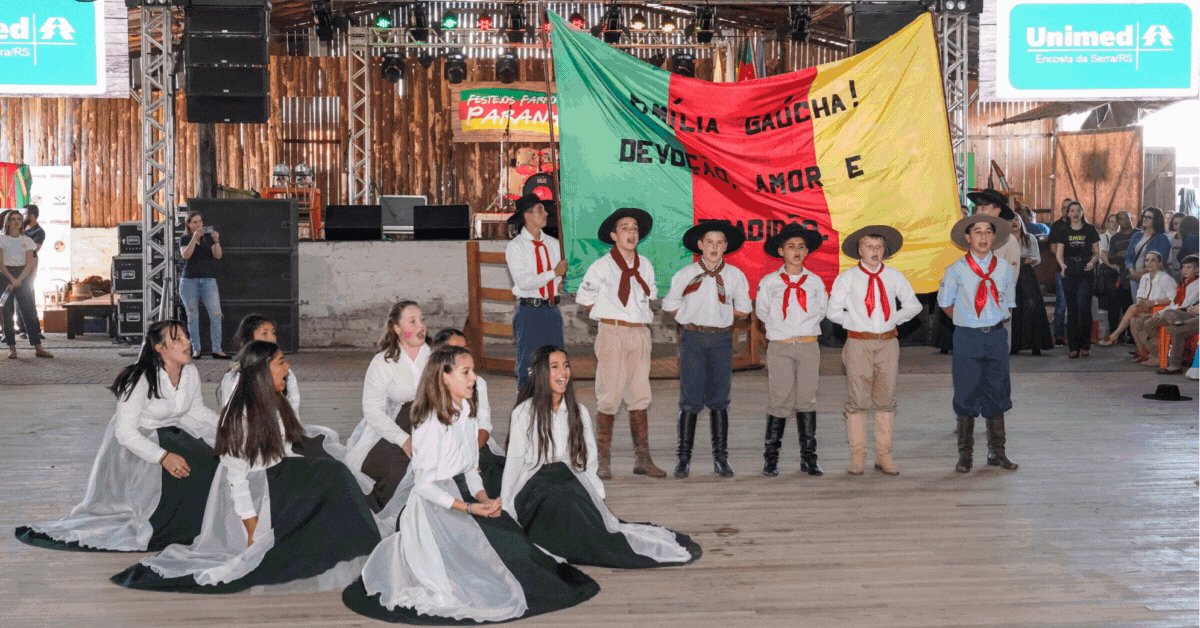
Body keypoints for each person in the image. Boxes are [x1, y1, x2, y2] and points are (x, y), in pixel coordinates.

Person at [342, 345, 600, 624]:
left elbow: (470, 467)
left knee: (516, 546)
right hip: (435, 509)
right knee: (483, 569)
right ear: (444, 377)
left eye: (473, 371)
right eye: (466, 372)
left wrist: (484, 498)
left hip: (465, 497)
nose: (474, 378)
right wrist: (469, 508)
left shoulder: (466, 409)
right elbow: (424, 487)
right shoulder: (428, 423)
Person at [112, 341, 380, 593]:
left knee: (333, 474)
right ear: (263, 370)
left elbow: (285, 449)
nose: (287, 368)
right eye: (281, 363)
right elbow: (237, 479)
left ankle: (359, 547)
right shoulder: (241, 417)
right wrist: (253, 530)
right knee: (335, 477)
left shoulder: (273, 401)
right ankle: (366, 551)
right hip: (261, 489)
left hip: (278, 473)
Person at [15, 320, 218, 551]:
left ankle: (200, 527)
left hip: (172, 432)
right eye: (178, 339)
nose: (188, 343)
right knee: (183, 469)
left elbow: (197, 411)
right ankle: (165, 527)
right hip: (136, 446)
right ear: (160, 348)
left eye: (186, 337)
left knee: (211, 459)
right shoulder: (139, 378)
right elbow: (125, 433)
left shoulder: (190, 372)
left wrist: (229, 426)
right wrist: (162, 457)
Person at [501, 345, 701, 567]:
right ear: (540, 373)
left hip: (569, 484)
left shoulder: (579, 412)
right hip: (535, 487)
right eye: (555, 367)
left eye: (566, 366)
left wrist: (598, 500)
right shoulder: (523, 413)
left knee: (592, 522)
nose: (563, 373)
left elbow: (588, 463)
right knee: (559, 494)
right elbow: (514, 463)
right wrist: (507, 509)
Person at [575, 207, 664, 479]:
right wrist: (609, 315)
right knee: (610, 394)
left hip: (639, 333)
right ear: (614, 235)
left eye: (635, 229)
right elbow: (586, 298)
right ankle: (602, 459)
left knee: (639, 393)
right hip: (613, 333)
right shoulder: (601, 266)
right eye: (625, 228)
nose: (631, 233)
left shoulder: (645, 265)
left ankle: (643, 458)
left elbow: (649, 297)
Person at [826, 226, 921, 475]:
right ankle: (857, 455)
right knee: (857, 400)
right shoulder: (847, 279)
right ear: (859, 250)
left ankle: (884, 455)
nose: (874, 251)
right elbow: (833, 312)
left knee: (886, 399)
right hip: (858, 343)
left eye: (879, 247)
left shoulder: (894, 277)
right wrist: (855, 324)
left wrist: (895, 320)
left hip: (888, 343)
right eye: (869, 246)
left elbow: (914, 305)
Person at [661, 221, 751, 478]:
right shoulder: (686, 274)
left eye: (720, 242)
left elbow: (744, 308)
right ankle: (683, 458)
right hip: (693, 339)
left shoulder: (734, 276)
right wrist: (691, 314)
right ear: (700, 245)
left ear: (726, 246)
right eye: (709, 242)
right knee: (690, 398)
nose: (714, 247)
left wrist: (722, 315)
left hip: (722, 339)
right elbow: (670, 305)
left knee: (720, 398)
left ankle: (721, 458)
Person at [938, 213, 1019, 474]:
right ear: (967, 237)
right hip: (967, 336)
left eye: (987, 232)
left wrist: (990, 323)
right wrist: (968, 320)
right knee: (966, 392)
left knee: (998, 390)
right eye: (977, 232)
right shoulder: (956, 270)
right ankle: (965, 455)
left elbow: (1007, 303)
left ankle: (997, 451)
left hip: (995, 336)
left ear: (994, 238)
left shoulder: (1005, 269)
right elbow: (945, 303)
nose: (983, 237)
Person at [218, 313, 347, 461]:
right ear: (248, 339)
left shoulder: (285, 372)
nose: (271, 338)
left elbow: (293, 410)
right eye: (264, 333)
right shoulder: (234, 377)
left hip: (285, 437)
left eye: (273, 333)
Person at [756, 224, 828, 477]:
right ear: (780, 251)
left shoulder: (815, 282)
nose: (796, 251)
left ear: (807, 252)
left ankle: (809, 458)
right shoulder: (770, 282)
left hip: (808, 346)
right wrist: (781, 331)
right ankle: (771, 458)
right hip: (781, 347)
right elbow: (762, 312)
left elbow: (821, 310)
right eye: (790, 247)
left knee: (806, 398)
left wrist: (803, 329)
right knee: (780, 399)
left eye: (800, 247)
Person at [345, 301, 431, 513]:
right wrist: (403, 440)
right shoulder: (382, 362)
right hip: (391, 427)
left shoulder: (431, 354)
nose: (421, 326)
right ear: (397, 329)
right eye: (412, 321)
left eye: (422, 320)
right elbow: (372, 410)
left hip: (426, 421)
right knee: (396, 471)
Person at [505, 193, 566, 393]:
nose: (546, 214)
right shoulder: (516, 247)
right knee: (528, 366)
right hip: (530, 312)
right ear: (527, 215)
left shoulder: (553, 244)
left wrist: (561, 281)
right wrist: (553, 273)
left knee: (555, 363)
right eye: (540, 210)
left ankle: (553, 410)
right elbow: (524, 281)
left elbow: (558, 278)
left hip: (551, 310)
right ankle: (523, 408)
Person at [433, 327, 505, 497]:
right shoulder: (431, 385)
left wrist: (472, 453)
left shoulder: (478, 383)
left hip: (477, 444)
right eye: (456, 350)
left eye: (465, 349)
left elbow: (484, 424)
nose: (463, 353)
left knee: (493, 477)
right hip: (444, 453)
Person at [1098, 250, 1178, 363]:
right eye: (1147, 260)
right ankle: (1141, 353)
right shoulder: (1145, 277)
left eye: (1153, 260)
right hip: (1148, 308)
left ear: (1159, 263)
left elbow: (1174, 300)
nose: (1149, 263)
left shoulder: (1165, 279)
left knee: (1132, 309)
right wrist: (1142, 303)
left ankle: (1114, 336)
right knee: (1134, 320)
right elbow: (1140, 295)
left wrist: (1152, 303)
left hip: (1163, 310)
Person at [967, 189, 1020, 350]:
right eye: (977, 208)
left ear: (997, 211)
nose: (978, 211)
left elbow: (1012, 276)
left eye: (983, 208)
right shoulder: (969, 238)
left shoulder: (1008, 240)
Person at [1049, 201, 1100, 358]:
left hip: (1085, 268)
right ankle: (1073, 346)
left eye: (1078, 210)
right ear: (1068, 214)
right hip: (1069, 268)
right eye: (1072, 210)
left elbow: (1097, 253)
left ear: (1082, 212)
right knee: (1072, 309)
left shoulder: (1090, 229)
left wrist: (1092, 263)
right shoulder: (1063, 230)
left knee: (1084, 307)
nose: (1075, 213)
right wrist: (1063, 266)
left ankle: (1085, 344)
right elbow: (1059, 253)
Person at [0, 209, 52, 358]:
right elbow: (0, 262)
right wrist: (11, 278)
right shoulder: (1, 239)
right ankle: (12, 349)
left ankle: (38, 348)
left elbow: (30, 263)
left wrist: (19, 279)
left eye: (18, 219)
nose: (17, 221)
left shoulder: (27, 240)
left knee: (29, 313)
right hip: (4, 276)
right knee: (7, 313)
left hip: (23, 276)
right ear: (8, 222)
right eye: (13, 219)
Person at [1136, 255, 1198, 373]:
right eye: (1183, 267)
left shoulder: (1197, 284)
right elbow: (1174, 303)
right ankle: (1159, 353)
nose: (1184, 270)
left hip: (1187, 314)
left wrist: (1165, 312)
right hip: (1174, 314)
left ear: (1197, 269)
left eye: (1188, 267)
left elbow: (1186, 305)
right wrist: (1160, 313)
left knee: (1173, 322)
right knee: (1145, 322)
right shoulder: (1184, 284)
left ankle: (1176, 360)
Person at [179, 210, 228, 359]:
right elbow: (185, 255)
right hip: (189, 281)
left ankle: (217, 349)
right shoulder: (185, 238)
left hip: (208, 280)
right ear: (189, 224)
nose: (199, 224)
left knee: (216, 314)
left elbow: (218, 255)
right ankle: (196, 350)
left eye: (200, 221)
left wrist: (217, 240)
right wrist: (194, 238)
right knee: (193, 316)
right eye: (195, 222)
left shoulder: (208, 238)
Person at [1008, 213, 1053, 355]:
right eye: (1011, 220)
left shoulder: (1030, 238)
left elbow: (1037, 258)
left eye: (1016, 219)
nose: (1014, 222)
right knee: (1013, 309)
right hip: (1010, 274)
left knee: (1032, 308)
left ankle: (1036, 345)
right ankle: (1014, 345)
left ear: (1021, 221)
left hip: (1027, 274)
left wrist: (1031, 260)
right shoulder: (1004, 240)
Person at [1102, 211, 1137, 343]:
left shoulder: (1138, 234)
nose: (1125, 221)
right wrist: (1118, 255)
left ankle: (1134, 336)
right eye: (1121, 219)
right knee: (1125, 304)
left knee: (1136, 303)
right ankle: (1122, 335)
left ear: (1131, 218)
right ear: (1118, 222)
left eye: (1127, 218)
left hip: (1139, 273)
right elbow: (1110, 257)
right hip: (1123, 275)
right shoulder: (1115, 238)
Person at [13, 204, 45, 343]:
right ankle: (22, 329)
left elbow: (33, 250)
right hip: (15, 265)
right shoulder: (18, 230)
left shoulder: (39, 231)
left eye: (24, 214)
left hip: (30, 266)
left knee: (28, 295)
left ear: (32, 216)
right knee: (18, 296)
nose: (21, 218)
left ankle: (34, 329)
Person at [1126, 206, 1171, 297]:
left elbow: (1161, 260)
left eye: (1149, 217)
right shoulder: (1137, 235)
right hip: (1135, 277)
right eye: (1144, 216)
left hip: (1152, 277)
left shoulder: (1162, 238)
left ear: (1156, 220)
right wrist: (1132, 272)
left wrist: (1141, 273)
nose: (1145, 219)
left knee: (1149, 306)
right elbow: (1128, 256)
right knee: (1137, 305)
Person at [1051, 198, 1074, 345]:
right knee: (1062, 303)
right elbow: (1053, 248)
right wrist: (1064, 261)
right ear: (1061, 210)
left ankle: (1074, 335)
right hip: (1062, 269)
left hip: (1079, 270)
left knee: (1077, 304)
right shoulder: (1056, 226)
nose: (1067, 210)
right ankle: (1058, 336)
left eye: (1070, 208)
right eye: (1064, 208)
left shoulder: (1081, 224)